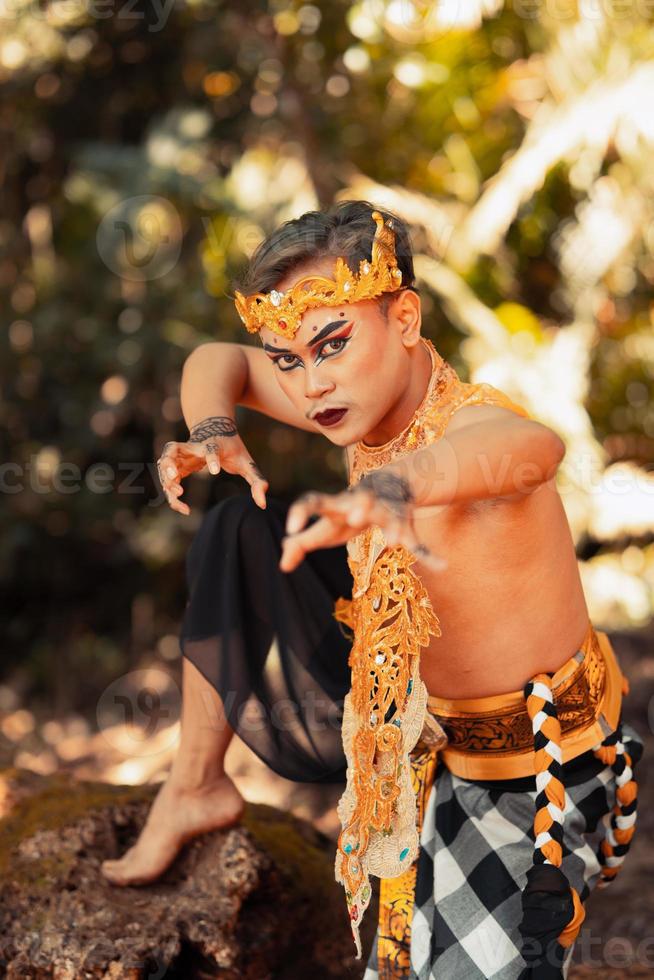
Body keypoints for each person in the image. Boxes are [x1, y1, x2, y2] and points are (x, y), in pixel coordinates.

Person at [102, 200, 643, 979]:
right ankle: (193, 786)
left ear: (407, 318)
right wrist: (215, 431)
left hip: (537, 765)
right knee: (239, 535)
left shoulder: (475, 423)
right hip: (409, 716)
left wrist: (391, 488)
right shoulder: (344, 395)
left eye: (332, 344)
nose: (311, 384)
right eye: (288, 359)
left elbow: (533, 447)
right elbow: (214, 362)